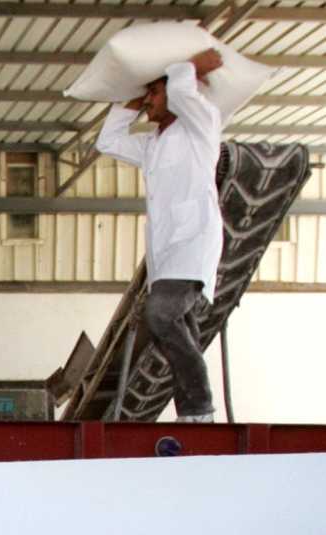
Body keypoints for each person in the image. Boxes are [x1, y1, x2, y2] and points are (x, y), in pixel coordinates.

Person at [95, 48, 226, 423]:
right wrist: (133, 102)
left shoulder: (200, 126)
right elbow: (108, 142)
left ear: (175, 92)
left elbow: (185, 95)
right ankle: (194, 415)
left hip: (192, 243)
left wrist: (188, 69)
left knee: (161, 314)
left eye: (154, 93)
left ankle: (200, 405)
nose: (149, 101)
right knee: (182, 327)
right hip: (165, 253)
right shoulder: (152, 144)